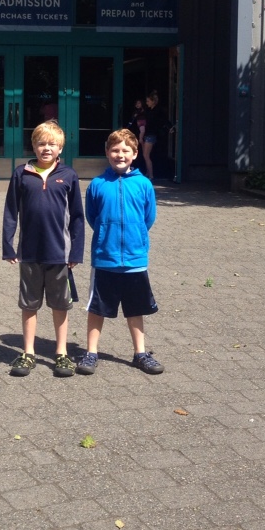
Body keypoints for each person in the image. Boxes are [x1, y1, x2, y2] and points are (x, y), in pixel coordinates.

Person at [77, 128, 163, 376]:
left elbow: (148, 218)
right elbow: (92, 217)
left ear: (135, 154)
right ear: (107, 153)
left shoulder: (143, 184)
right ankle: (91, 352)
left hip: (135, 259)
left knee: (136, 308)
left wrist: (136, 235)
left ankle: (140, 353)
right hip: (105, 258)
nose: (120, 155)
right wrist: (106, 233)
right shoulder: (97, 184)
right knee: (97, 308)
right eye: (115, 150)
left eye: (126, 150)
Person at [2, 121, 84, 378]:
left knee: (60, 305)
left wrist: (76, 252)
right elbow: (10, 211)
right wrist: (8, 245)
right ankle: (28, 352)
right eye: (41, 143)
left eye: (52, 144)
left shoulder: (68, 175)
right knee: (29, 304)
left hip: (60, 253)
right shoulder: (21, 173)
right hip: (29, 252)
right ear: (33, 146)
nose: (46, 148)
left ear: (60, 148)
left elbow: (78, 217)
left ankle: (61, 353)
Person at [141, 90, 168, 183]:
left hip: (151, 134)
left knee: (146, 155)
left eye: (148, 101)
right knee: (145, 155)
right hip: (148, 134)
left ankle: (151, 175)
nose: (147, 103)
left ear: (153, 101)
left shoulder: (156, 111)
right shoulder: (150, 111)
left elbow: (161, 121)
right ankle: (148, 173)